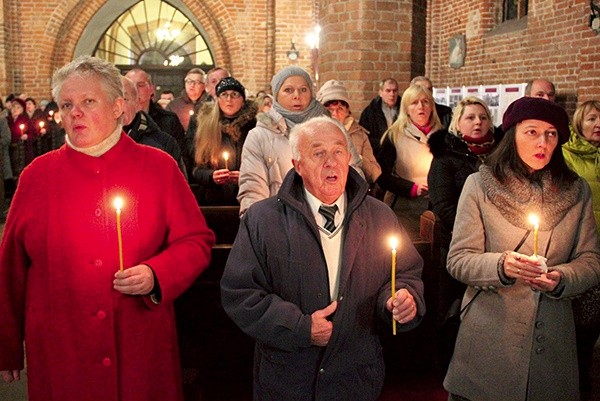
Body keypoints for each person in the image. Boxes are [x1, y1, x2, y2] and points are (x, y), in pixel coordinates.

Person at [0, 55, 216, 401]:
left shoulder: (158, 167)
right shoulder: (37, 177)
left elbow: (195, 241)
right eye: (67, 104)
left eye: (88, 102)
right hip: (63, 350)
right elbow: (10, 266)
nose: (75, 113)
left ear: (118, 107)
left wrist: (155, 273)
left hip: (138, 344)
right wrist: (6, 344)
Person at [221, 116, 425, 400]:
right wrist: (300, 327)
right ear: (298, 164)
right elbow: (240, 293)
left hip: (354, 376)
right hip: (288, 377)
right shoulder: (263, 219)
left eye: (339, 151)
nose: (331, 162)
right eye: (319, 153)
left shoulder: (379, 215)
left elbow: (404, 273)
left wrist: (402, 298)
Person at [444, 97, 600, 401]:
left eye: (551, 134)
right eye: (531, 132)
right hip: (490, 336)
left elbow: (591, 260)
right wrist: (501, 266)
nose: (542, 142)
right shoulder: (480, 186)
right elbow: (459, 259)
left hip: (551, 341)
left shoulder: (576, 190)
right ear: (512, 134)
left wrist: (562, 277)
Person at [427, 96, 501, 361]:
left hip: (499, 245)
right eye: (470, 117)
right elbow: (444, 207)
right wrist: (476, 233)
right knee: (455, 308)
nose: (477, 122)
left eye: (482, 117)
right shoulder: (445, 158)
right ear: (457, 124)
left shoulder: (499, 155)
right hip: (459, 245)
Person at [236, 66, 328, 215]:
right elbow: (253, 187)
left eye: (303, 89)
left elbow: (352, 174)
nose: (297, 95)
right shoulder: (259, 136)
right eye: (288, 90)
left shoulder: (331, 130)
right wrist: (258, 225)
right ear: (276, 95)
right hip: (279, 221)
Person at [562, 99, 600, 395]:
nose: (598, 125)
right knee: (583, 323)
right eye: (591, 119)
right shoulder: (568, 155)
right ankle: (578, 380)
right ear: (578, 124)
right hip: (582, 246)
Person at [377, 84, 443, 236]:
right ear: (406, 108)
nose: (421, 107)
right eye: (414, 103)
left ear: (432, 107)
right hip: (405, 207)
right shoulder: (394, 136)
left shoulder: (443, 136)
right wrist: (411, 188)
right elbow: (382, 175)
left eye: (425, 101)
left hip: (436, 207)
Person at [190, 77, 257, 205]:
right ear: (217, 99)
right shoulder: (205, 126)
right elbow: (194, 167)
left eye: (234, 95)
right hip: (213, 198)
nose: (229, 99)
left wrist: (246, 176)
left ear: (243, 100)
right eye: (224, 94)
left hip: (247, 197)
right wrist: (210, 176)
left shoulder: (254, 126)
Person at [317, 79, 381, 184]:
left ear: (347, 111)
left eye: (340, 109)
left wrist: (358, 159)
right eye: (330, 110)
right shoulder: (313, 133)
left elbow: (375, 173)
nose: (335, 114)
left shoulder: (359, 135)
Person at [121, 76, 186, 177]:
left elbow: (178, 187)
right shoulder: (94, 140)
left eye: (124, 99)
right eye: (111, 99)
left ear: (137, 103)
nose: (117, 105)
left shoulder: (163, 143)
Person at [125, 68, 186, 154]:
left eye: (140, 85)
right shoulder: (117, 120)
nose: (135, 90)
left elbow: (181, 155)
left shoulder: (169, 120)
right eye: (130, 85)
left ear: (151, 89)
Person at [359, 77, 401, 155]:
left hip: (401, 152)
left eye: (394, 91)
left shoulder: (404, 109)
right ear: (380, 93)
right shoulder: (370, 112)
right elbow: (364, 136)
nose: (392, 94)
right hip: (378, 154)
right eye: (388, 91)